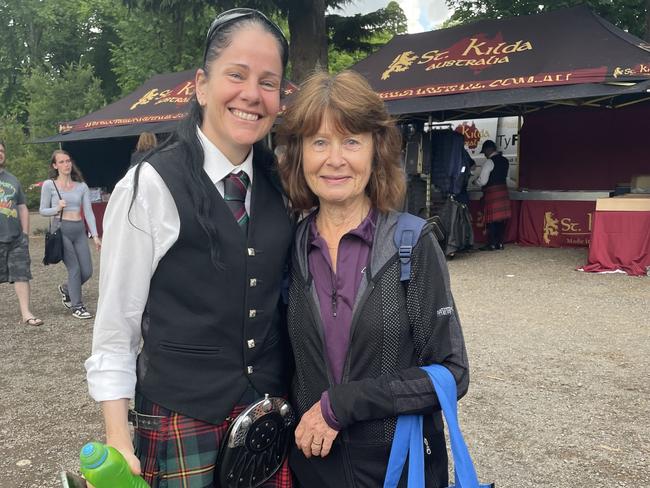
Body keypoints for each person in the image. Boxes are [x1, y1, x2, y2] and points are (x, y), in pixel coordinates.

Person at [85, 9, 294, 487]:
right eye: (235, 75)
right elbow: (116, 328)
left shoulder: (282, 186)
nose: (251, 95)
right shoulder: (149, 185)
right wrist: (118, 438)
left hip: (268, 420)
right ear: (201, 85)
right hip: (181, 421)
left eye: (268, 82)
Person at [277, 70, 469, 487]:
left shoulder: (412, 243)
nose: (335, 159)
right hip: (314, 467)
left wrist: (342, 405)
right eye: (319, 142)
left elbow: (453, 373)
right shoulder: (290, 248)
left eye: (351, 140)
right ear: (300, 154)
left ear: (376, 149)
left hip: (397, 465)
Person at [39, 150, 101, 319]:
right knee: (74, 268)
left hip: (79, 230)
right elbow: (42, 211)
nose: (66, 165)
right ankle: (77, 306)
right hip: (61, 229)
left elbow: (88, 212)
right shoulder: (49, 185)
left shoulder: (81, 186)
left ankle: (67, 289)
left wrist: (95, 235)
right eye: (61, 162)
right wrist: (57, 208)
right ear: (55, 165)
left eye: (68, 161)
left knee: (87, 271)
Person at [0, 140, 44, 326]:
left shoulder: (12, 179)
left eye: (2, 150)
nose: (0, 153)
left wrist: (25, 234)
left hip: (16, 238)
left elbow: (22, 208)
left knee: (21, 275)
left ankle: (26, 313)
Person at [474, 139, 512, 250]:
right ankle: (500, 243)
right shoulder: (505, 161)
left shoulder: (489, 162)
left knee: (491, 220)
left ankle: (491, 243)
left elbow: (483, 181)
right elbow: (508, 178)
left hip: (492, 192)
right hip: (503, 190)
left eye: (484, 151)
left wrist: (475, 182)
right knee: (501, 219)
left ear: (489, 149)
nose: (484, 154)